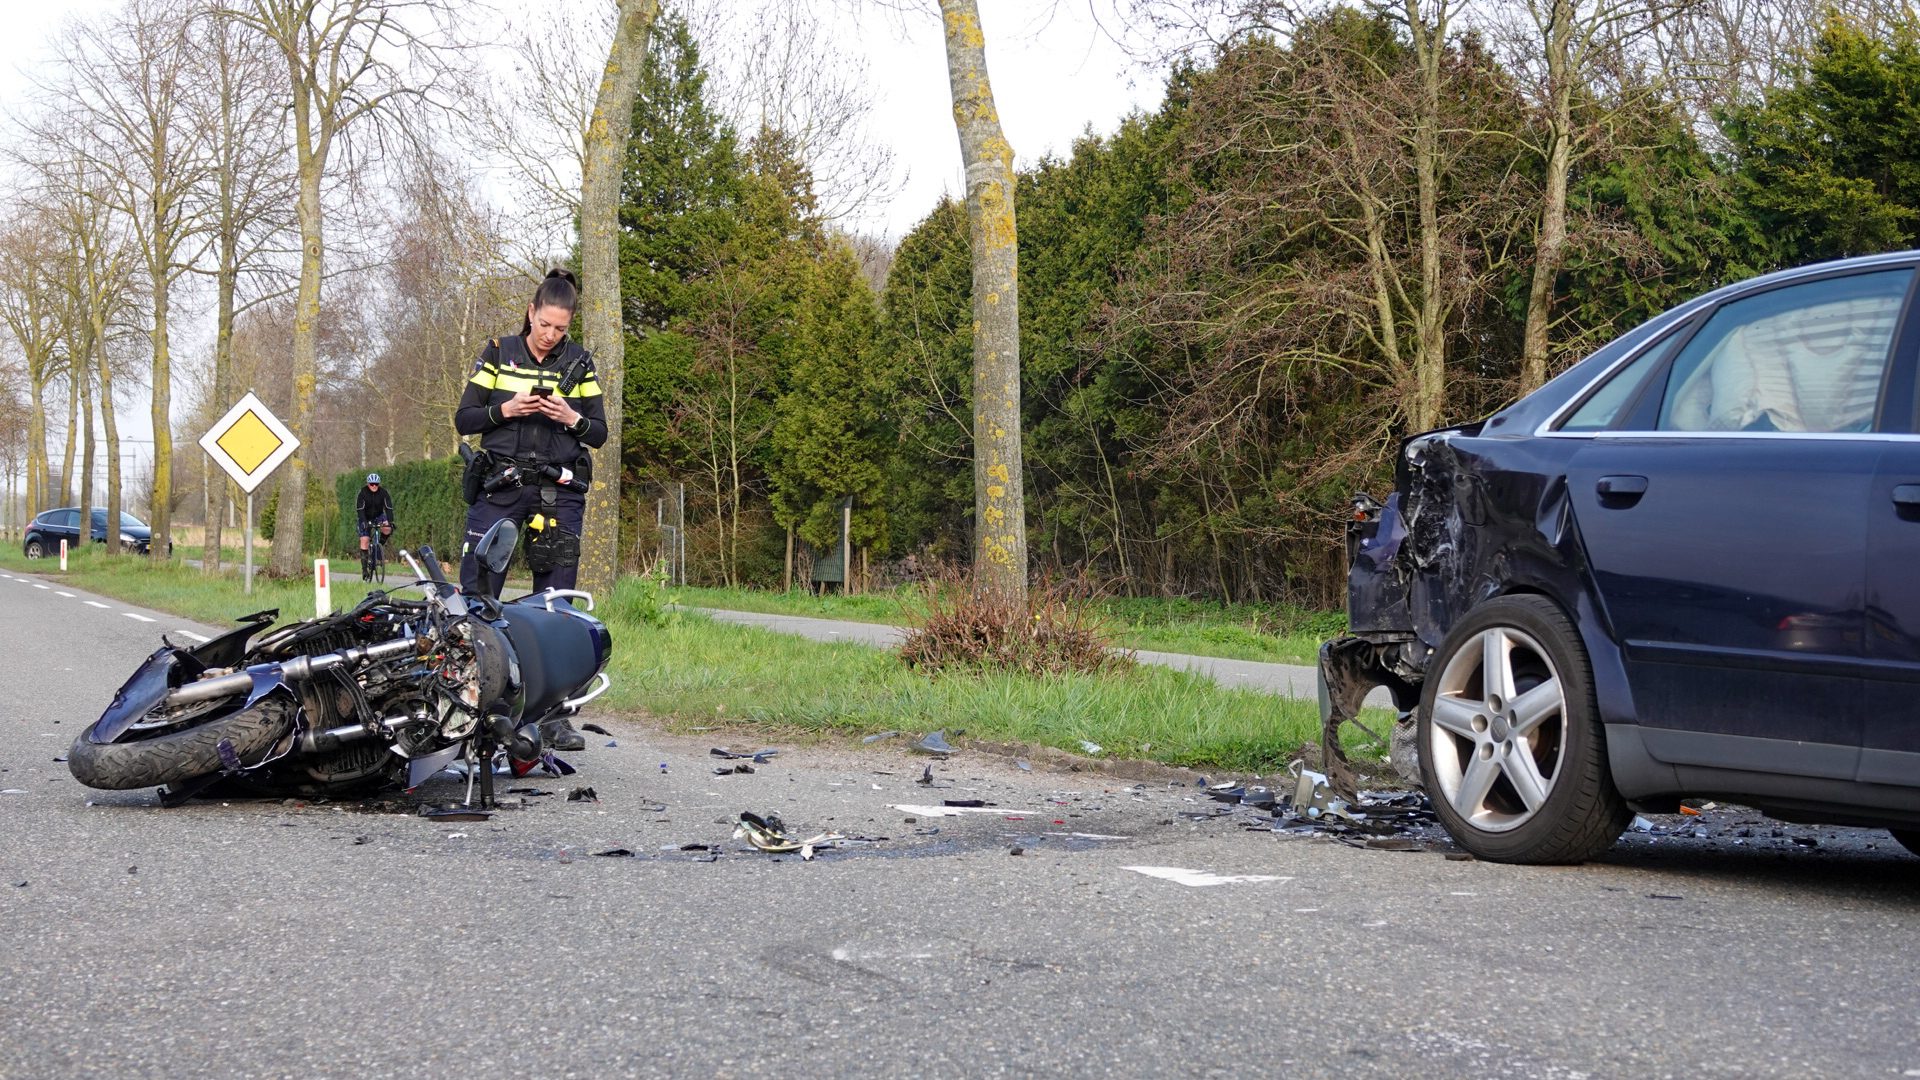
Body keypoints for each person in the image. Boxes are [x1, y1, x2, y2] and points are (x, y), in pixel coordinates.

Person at [454, 268, 606, 752]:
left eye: (561, 329)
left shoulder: (580, 364)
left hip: (559, 492)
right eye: (545, 325)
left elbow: (599, 433)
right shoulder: (498, 353)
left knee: (557, 604)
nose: (551, 336)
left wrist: (571, 417)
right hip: (501, 486)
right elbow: (465, 418)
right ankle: (468, 706)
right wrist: (506, 411)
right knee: (478, 593)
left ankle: (556, 718)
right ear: (531, 313)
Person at [355, 473, 394, 571]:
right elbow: (360, 509)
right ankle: (364, 569)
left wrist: (390, 521)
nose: (374, 486)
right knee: (364, 540)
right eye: (372, 484)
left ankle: (378, 548)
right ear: (368, 484)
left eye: (376, 484)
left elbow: (389, 508)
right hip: (365, 517)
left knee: (387, 528)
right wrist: (364, 522)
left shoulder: (383, 493)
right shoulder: (362, 493)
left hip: (378, 516)